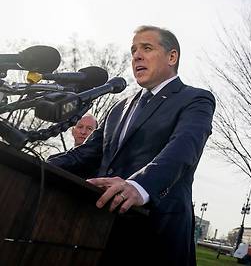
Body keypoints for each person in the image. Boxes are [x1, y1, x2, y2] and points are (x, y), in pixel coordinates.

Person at [48, 25, 215, 266]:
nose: (136, 55)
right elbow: (86, 154)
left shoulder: (196, 99)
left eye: (147, 48)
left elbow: (183, 148)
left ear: (172, 56)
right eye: (134, 50)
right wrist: (40, 164)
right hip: (100, 232)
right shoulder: (119, 108)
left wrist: (140, 185)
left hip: (156, 236)